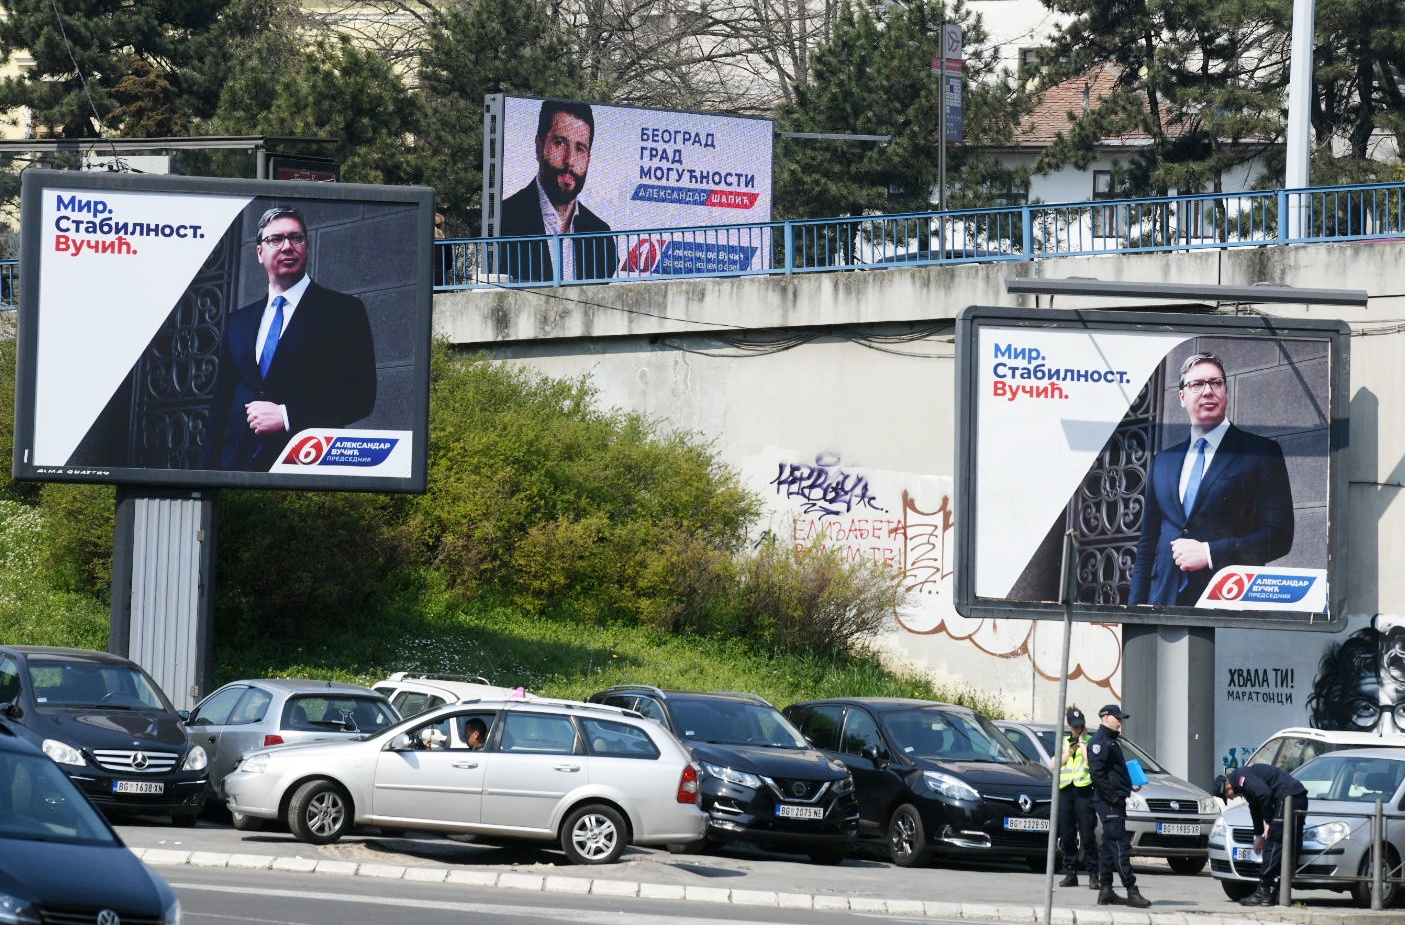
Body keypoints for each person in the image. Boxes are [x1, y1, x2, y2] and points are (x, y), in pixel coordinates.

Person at [204, 206, 377, 471]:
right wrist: (203, 476)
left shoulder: (344, 311)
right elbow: (221, 404)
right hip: (235, 469)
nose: (287, 247)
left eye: (296, 238)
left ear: (306, 247)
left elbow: (360, 398)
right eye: (276, 239)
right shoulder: (238, 322)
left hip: (304, 468)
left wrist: (286, 416)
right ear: (260, 252)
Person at [1128, 352, 1294, 607]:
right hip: (1162, 601)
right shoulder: (1163, 461)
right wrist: (1133, 610)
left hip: (1227, 599)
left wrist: (1209, 553)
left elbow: (1279, 537)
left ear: (1226, 392)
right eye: (1197, 384)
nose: (1208, 391)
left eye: (1216, 383)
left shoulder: (1260, 452)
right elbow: (1147, 542)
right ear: (1182, 397)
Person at [499, 99, 617, 283]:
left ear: (589, 158)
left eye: (580, 148)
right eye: (560, 143)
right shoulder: (504, 219)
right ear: (539, 147)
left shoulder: (601, 235)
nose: (570, 160)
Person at [1214, 765, 1308, 906]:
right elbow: (1255, 807)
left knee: (1274, 841)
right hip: (1295, 795)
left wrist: (1269, 822)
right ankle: (1279, 892)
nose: (1232, 799)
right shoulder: (1242, 782)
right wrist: (1257, 835)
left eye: (1229, 797)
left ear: (1227, 787)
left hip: (1288, 797)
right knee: (1290, 845)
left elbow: (1264, 795)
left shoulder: (1242, 779)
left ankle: (1264, 891)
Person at [1087, 704, 1151, 908]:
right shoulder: (1099, 742)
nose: (1120, 722)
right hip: (1109, 802)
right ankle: (1131, 890)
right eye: (1117, 718)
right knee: (1119, 844)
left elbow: (1114, 772)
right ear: (1106, 718)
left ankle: (1105, 890)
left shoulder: (1112, 741)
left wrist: (1128, 785)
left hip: (1116, 799)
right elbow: (1097, 775)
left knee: (1107, 847)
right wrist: (1113, 797)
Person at [1053, 706, 1098, 888]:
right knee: (1067, 834)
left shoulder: (1090, 741)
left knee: (1087, 834)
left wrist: (1082, 743)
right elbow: (1053, 764)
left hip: (1084, 791)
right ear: (1069, 725)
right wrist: (1069, 752)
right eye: (1075, 726)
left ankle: (1094, 873)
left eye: (1081, 726)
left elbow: (1092, 763)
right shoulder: (1063, 742)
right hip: (1066, 791)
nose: (1078, 729)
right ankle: (1070, 872)